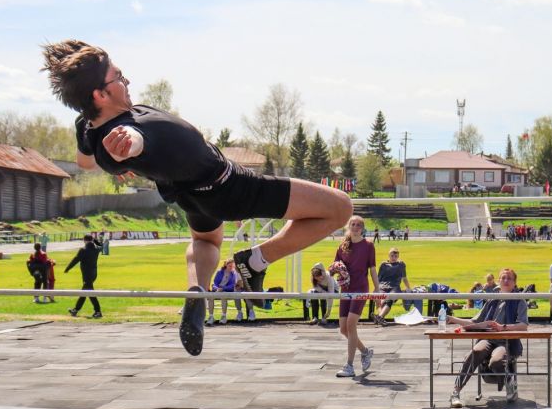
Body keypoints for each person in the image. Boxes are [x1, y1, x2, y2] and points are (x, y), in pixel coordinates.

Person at [41, 40, 351, 356]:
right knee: (340, 208)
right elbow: (135, 140)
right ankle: (255, 261)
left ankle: (197, 290)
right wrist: (126, 149)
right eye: (119, 77)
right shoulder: (125, 130)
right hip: (231, 187)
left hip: (191, 197)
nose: (127, 80)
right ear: (100, 95)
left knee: (207, 243)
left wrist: (113, 156)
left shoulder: (88, 124)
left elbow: (84, 162)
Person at [447, 268, 529, 408]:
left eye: (509, 278)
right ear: (499, 281)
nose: (506, 280)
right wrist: (453, 319)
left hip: (507, 341)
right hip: (488, 339)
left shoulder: (519, 300)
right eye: (503, 278)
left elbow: (523, 325)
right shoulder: (492, 299)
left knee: (496, 362)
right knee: (475, 353)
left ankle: (510, 383)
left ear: (515, 283)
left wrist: (503, 327)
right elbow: (475, 322)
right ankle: (456, 392)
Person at [331, 215, 377, 377]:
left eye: (359, 225)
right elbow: (335, 266)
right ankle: (365, 351)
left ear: (362, 228)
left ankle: (349, 366)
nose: (356, 227)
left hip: (360, 288)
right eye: (353, 224)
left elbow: (372, 269)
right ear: (348, 227)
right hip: (346, 289)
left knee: (351, 324)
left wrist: (377, 291)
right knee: (343, 329)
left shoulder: (368, 246)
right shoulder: (342, 246)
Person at [65, 234, 103, 318]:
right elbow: (102, 246)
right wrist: (96, 240)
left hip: (87, 275)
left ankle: (98, 311)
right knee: (84, 292)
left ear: (84, 240)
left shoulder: (83, 249)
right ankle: (75, 310)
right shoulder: (96, 248)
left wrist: (68, 268)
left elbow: (75, 260)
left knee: (90, 293)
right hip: (94, 274)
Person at [373, 247, 411, 325]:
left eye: (395, 256)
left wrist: (408, 288)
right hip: (382, 286)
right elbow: (378, 278)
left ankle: (379, 317)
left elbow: (404, 278)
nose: (393, 258)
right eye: (392, 256)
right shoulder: (383, 265)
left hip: (394, 287)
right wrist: (375, 289)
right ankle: (381, 317)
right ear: (388, 255)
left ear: (398, 256)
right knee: (379, 299)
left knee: (389, 299)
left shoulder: (401, 264)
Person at [207, 259, 250, 325]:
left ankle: (224, 316)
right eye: (230, 266)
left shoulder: (233, 274)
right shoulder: (219, 272)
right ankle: (211, 316)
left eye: (232, 266)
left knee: (223, 297)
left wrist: (223, 288)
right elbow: (215, 283)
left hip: (226, 291)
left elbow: (232, 285)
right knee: (210, 298)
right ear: (226, 265)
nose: (231, 268)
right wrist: (217, 288)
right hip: (217, 290)